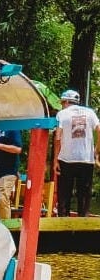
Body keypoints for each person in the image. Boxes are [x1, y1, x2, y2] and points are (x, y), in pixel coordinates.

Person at [54, 89, 100, 218]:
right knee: (84, 195)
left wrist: (55, 160)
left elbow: (58, 137)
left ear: (67, 101)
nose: (62, 105)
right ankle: (83, 224)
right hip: (86, 159)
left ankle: (63, 223)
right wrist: (96, 151)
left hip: (66, 159)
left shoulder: (62, 114)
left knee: (64, 195)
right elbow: (99, 130)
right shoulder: (90, 113)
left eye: (62, 102)